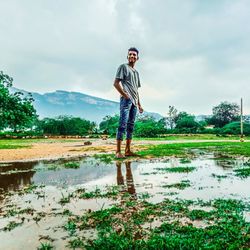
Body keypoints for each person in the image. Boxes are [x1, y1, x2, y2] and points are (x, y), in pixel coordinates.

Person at [113, 47, 143, 158]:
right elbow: (116, 83)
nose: (132, 56)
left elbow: (136, 89)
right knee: (122, 124)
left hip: (134, 103)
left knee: (131, 126)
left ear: (137, 58)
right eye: (130, 54)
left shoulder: (136, 73)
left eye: (134, 55)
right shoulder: (123, 67)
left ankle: (128, 150)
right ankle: (118, 152)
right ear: (127, 56)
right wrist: (125, 95)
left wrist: (139, 104)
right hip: (126, 100)